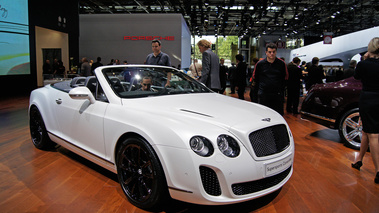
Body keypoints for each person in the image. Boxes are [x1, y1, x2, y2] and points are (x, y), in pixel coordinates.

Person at [351, 37, 379, 184]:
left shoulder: (363, 64)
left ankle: (378, 171)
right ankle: (359, 160)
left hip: (368, 99)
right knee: (366, 131)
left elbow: (356, 76)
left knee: (373, 134)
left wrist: (364, 58)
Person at [253, 43, 288, 115]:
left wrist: (281, 90)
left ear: (276, 52)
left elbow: (285, 77)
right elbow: (255, 77)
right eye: (269, 52)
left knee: (278, 115)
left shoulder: (281, 64)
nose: (271, 54)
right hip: (264, 94)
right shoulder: (260, 64)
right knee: (263, 115)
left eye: (273, 52)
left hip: (277, 94)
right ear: (266, 52)